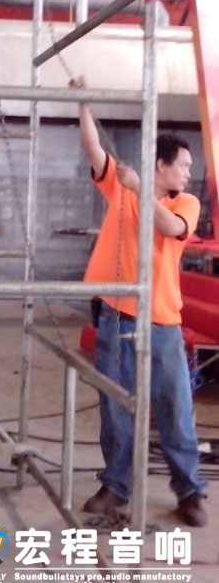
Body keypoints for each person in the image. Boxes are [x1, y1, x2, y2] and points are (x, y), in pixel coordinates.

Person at [76, 95, 207, 527]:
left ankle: (189, 492)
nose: (188, 172)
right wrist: (83, 105)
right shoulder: (121, 187)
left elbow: (169, 228)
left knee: (174, 408)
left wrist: (138, 190)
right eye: (183, 165)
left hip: (163, 321)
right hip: (116, 315)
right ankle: (116, 485)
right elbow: (94, 148)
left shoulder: (184, 204)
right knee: (116, 406)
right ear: (161, 165)